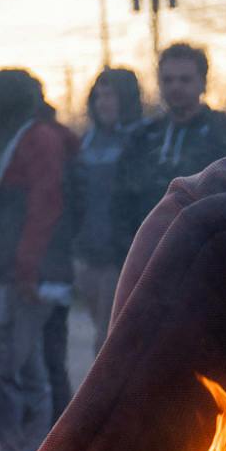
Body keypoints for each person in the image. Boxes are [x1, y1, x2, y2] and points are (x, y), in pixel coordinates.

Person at [0, 68, 78, 451]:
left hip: (30, 279)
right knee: (25, 369)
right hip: (8, 277)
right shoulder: (11, 143)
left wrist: (27, 268)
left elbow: (45, 206)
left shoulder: (39, 140)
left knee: (16, 370)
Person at [111, 42, 226, 255]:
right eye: (168, 80)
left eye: (185, 79)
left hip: (211, 255)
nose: (175, 87)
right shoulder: (142, 139)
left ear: (203, 82)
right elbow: (121, 202)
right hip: (150, 255)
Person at [70, 67, 143, 354]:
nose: (103, 103)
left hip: (122, 254)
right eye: (98, 96)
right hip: (89, 255)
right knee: (103, 329)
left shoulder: (142, 138)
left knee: (108, 337)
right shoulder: (86, 143)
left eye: (110, 95)